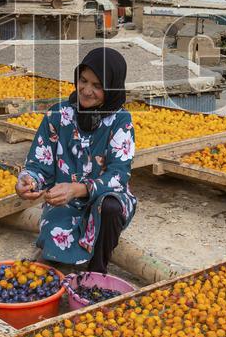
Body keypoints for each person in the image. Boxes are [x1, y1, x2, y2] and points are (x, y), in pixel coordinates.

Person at [15, 47, 137, 273]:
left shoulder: (121, 121)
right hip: (64, 202)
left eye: (97, 85)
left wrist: (78, 189)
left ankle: (97, 272)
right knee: (54, 245)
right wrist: (29, 180)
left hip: (104, 197)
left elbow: (118, 175)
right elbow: (39, 164)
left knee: (110, 207)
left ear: (111, 88)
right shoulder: (58, 115)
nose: (87, 90)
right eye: (83, 80)